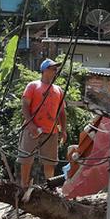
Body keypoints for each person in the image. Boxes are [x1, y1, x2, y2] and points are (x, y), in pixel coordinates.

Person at [20, 58, 67, 189]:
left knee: (50, 162)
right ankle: (23, 186)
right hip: (32, 129)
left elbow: (62, 111)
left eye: (56, 68)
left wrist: (63, 130)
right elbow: (25, 106)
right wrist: (30, 125)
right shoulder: (33, 86)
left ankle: (50, 187)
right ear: (44, 70)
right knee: (26, 158)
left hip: (51, 130)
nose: (55, 71)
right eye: (52, 68)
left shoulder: (58, 90)